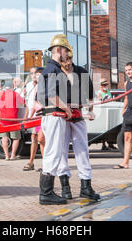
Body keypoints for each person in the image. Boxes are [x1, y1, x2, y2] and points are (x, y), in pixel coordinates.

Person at [37, 34, 99, 205]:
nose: (68, 56)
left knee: (60, 152)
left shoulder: (55, 69)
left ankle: (50, 192)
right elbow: (49, 95)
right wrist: (66, 108)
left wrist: (81, 109)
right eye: (66, 51)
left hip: (64, 116)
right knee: (55, 153)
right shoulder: (52, 70)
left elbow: (89, 95)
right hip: (57, 115)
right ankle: (47, 193)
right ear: (58, 50)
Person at [55, 47, 100, 201]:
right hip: (61, 116)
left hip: (78, 114)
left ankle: (86, 186)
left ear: (72, 58)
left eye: (68, 59)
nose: (66, 63)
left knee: (82, 150)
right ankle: (65, 187)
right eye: (62, 61)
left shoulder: (82, 72)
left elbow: (91, 95)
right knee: (61, 150)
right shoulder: (55, 73)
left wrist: (92, 110)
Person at [0, 78, 26, 161]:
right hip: (13, 119)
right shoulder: (15, 94)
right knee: (16, 138)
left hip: (3, 119)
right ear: (12, 86)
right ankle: (13, 155)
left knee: (4, 138)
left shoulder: (1, 94)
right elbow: (23, 103)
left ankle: (7, 156)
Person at [24, 67, 44, 171]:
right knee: (34, 138)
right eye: (32, 74)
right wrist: (27, 117)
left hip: (42, 115)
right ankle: (31, 162)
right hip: (35, 115)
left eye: (36, 74)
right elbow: (30, 104)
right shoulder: (29, 86)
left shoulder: (44, 86)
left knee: (42, 139)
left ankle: (45, 164)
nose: (34, 76)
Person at [96, 78, 115, 150]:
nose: (105, 86)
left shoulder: (108, 92)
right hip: (102, 113)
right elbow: (99, 102)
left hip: (109, 111)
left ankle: (110, 144)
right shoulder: (99, 93)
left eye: (106, 84)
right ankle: (103, 145)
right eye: (104, 85)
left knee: (110, 129)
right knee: (103, 130)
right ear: (100, 86)